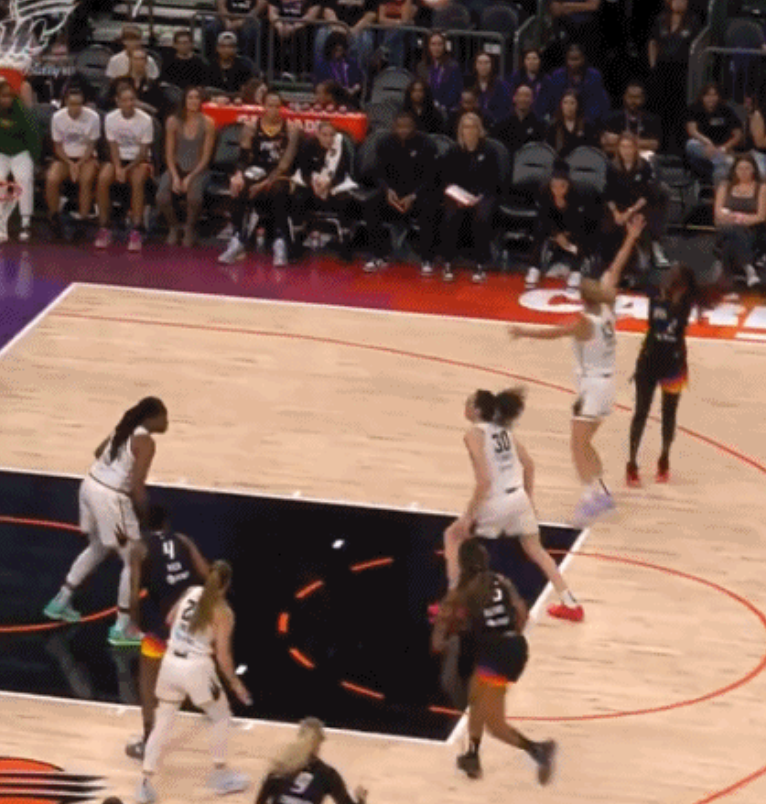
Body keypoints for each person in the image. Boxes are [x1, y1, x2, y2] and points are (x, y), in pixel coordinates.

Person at [510, 216, 645, 526]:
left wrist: (522, 332)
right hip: (605, 386)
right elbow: (616, 267)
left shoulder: (585, 322)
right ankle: (601, 492)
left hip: (592, 387)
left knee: (577, 444)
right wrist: (631, 237)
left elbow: (553, 333)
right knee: (585, 443)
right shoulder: (607, 310)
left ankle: (590, 499)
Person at [442, 387, 584, 621]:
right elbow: (529, 465)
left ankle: (453, 605)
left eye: (468, 402)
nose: (464, 406)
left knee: (453, 536)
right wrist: (528, 500)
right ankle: (571, 603)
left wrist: (469, 515)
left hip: (495, 501)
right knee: (536, 550)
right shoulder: (504, 431)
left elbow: (484, 481)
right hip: (518, 498)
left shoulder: (474, 434)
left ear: (477, 410)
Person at [43, 397, 169, 647]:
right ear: (152, 418)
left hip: (89, 488)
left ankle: (60, 600)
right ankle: (123, 627)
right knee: (132, 557)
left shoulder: (124, 429)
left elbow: (98, 452)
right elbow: (137, 486)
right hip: (110, 500)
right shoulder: (146, 441)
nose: (167, 423)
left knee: (98, 546)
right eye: (164, 417)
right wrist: (146, 519)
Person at [432, 538, 557, 782]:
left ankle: (538, 750)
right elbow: (522, 613)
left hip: (496, 654)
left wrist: (452, 641)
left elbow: (438, 642)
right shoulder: (501, 581)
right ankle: (472, 756)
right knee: (476, 697)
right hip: (515, 646)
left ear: (463, 564)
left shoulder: (461, 592)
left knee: (495, 725)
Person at [136, 561, 252, 804]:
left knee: (163, 722)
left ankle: (144, 784)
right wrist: (236, 684)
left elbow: (170, 619)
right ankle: (219, 776)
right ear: (226, 585)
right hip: (196, 668)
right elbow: (223, 657)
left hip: (170, 664)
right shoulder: (223, 612)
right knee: (221, 716)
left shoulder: (191, 592)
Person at [125, 505, 211, 760]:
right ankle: (210, 702)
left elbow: (133, 591)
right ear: (166, 522)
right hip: (191, 621)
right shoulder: (183, 540)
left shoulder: (139, 548)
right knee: (197, 659)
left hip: (161, 624)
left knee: (147, 681)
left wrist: (133, 621)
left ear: (143, 524)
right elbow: (206, 574)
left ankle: (148, 740)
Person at [626, 263, 709, 487]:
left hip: (674, 364)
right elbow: (652, 324)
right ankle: (632, 464)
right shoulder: (656, 297)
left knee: (668, 416)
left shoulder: (686, 303)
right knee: (641, 412)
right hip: (649, 362)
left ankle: (664, 459)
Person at [218, 89, 301, 266]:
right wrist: (238, 176)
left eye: (277, 106)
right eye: (270, 105)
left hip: (279, 174)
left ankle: (280, 242)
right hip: (257, 170)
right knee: (239, 186)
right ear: (263, 106)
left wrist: (263, 184)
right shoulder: (251, 127)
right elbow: (243, 158)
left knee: (278, 190)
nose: (274, 110)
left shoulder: (291, 129)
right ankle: (237, 239)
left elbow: (285, 165)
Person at [361, 110, 438, 274]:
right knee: (371, 203)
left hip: (417, 194)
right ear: (394, 127)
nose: (403, 130)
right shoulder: (384, 143)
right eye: (400, 126)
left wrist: (414, 195)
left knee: (429, 208)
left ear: (414, 127)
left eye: (407, 126)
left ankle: (427, 258)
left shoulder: (427, 144)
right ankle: (378, 255)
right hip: (393, 193)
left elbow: (431, 177)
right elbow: (378, 172)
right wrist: (387, 190)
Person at [438, 113, 500, 283]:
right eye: (466, 127)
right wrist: (459, 197)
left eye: (473, 127)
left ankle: (480, 264)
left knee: (482, 216)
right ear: (461, 130)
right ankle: (448, 262)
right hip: (458, 194)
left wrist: (478, 197)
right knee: (449, 215)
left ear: (479, 130)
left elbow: (494, 179)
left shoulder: (489, 151)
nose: (469, 130)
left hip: (483, 194)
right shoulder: (453, 151)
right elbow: (446, 179)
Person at [95, 83, 155, 252]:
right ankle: (104, 226)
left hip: (138, 160)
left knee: (137, 180)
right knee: (103, 178)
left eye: (132, 100)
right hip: (118, 159)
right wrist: (118, 167)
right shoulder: (110, 118)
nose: (129, 103)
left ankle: (136, 229)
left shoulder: (146, 120)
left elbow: (143, 152)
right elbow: (113, 146)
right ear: (118, 101)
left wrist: (126, 170)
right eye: (125, 100)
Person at [254, 718, 368, 804]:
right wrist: (361, 799)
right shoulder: (328, 774)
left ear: (299, 736)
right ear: (320, 742)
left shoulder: (280, 767)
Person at [157, 86, 216, 248]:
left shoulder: (208, 123)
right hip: (176, 167)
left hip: (198, 169)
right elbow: (169, 154)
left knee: (194, 198)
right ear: (184, 100)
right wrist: (175, 177)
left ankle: (190, 228)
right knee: (162, 196)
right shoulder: (173, 121)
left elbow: (206, 157)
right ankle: (174, 227)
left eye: (197, 98)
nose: (194, 101)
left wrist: (190, 177)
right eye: (190, 97)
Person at [525, 160, 598, 289]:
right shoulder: (544, 191)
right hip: (554, 224)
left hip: (576, 224)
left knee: (583, 233)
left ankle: (576, 271)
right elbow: (544, 217)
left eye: (562, 186)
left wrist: (567, 234)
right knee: (539, 227)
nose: (557, 190)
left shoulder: (580, 193)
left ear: (568, 185)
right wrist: (556, 234)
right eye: (554, 186)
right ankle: (534, 267)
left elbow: (584, 220)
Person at [602, 132, 670, 272]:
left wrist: (630, 212)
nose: (626, 150)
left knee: (642, 220)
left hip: (637, 206)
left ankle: (649, 251)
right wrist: (616, 213)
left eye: (629, 147)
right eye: (623, 147)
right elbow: (608, 194)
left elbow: (646, 194)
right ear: (618, 149)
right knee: (607, 225)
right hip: (618, 207)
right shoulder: (611, 166)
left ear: (635, 148)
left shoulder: (644, 166)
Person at [289, 121, 358, 251]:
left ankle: (345, 241)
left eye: (331, 135)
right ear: (318, 134)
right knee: (298, 197)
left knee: (346, 199)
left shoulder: (341, 145)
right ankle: (297, 239)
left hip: (334, 183)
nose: (328, 139)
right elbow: (304, 170)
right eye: (324, 135)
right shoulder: (308, 145)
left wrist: (329, 183)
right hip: (313, 183)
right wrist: (314, 184)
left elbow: (343, 171)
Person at [47, 86, 101, 241]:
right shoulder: (57, 117)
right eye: (72, 104)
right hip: (64, 158)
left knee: (86, 179)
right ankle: (54, 218)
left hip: (86, 158)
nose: (76, 108)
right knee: (52, 179)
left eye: (79, 104)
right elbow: (57, 146)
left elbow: (91, 146)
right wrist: (70, 163)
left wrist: (78, 164)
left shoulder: (93, 117)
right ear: (66, 103)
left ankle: (82, 221)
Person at [648, 0, 701, 152]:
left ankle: (678, 149)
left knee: (679, 112)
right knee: (662, 111)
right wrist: (653, 64)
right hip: (662, 72)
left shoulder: (693, 22)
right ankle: (662, 147)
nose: (678, 3)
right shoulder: (661, 20)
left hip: (682, 73)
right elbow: (653, 43)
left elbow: (698, 47)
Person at [713, 154, 766, 288]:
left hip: (752, 230)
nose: (743, 172)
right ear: (734, 170)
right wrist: (734, 219)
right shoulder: (725, 186)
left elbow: (761, 216)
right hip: (727, 227)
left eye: (747, 168)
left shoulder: (761, 188)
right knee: (733, 230)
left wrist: (740, 219)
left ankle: (727, 276)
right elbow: (718, 213)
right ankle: (749, 269)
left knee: (730, 240)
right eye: (740, 169)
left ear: (753, 169)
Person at [0, 77, 40, 243]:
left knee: (24, 179)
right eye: (3, 96)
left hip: (21, 152)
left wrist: (35, 161)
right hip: (1, 153)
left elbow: (33, 138)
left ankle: (25, 222)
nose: (6, 99)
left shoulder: (23, 112)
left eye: (9, 96)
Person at [685, 83, 743, 185]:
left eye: (714, 95)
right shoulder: (694, 109)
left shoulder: (726, 111)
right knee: (691, 144)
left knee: (721, 166)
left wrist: (724, 148)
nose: (711, 98)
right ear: (702, 97)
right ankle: (721, 158)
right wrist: (708, 143)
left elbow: (738, 134)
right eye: (708, 95)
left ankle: (719, 192)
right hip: (700, 146)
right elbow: (692, 131)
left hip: (721, 148)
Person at [542, 43, 610, 126]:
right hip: (562, 122)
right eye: (571, 59)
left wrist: (586, 123)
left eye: (576, 59)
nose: (573, 63)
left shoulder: (594, 76)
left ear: (583, 59)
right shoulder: (558, 76)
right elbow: (553, 102)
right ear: (566, 60)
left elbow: (599, 102)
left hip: (589, 122)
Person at [600, 80, 662, 157]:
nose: (633, 101)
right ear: (624, 97)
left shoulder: (651, 120)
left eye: (637, 97)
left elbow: (654, 145)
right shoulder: (613, 117)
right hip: (616, 158)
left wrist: (623, 140)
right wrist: (641, 143)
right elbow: (606, 142)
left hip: (643, 159)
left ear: (643, 99)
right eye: (630, 97)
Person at [491, 84, 543, 162]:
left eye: (527, 96)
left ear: (532, 100)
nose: (523, 99)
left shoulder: (539, 124)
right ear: (514, 98)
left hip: (530, 164)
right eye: (520, 95)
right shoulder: (502, 124)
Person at [416, 31, 463, 114]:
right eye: (433, 44)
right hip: (426, 108)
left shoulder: (453, 66)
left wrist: (440, 106)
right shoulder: (421, 66)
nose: (436, 48)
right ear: (428, 46)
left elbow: (455, 92)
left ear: (444, 46)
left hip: (446, 109)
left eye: (439, 44)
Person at [314, 31, 364, 106]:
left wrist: (354, 89)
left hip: (350, 99)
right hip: (330, 101)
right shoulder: (322, 66)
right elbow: (320, 87)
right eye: (336, 50)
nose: (338, 53)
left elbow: (359, 82)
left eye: (340, 50)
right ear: (330, 49)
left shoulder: (351, 64)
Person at [544, 89, 597, 158]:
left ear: (578, 105)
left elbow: (591, 150)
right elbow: (548, 150)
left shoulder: (586, 125)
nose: (568, 106)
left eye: (572, 103)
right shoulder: (553, 125)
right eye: (565, 103)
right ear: (561, 105)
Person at [469, 52, 512, 128]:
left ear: (492, 65)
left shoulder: (501, 86)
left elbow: (505, 111)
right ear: (475, 65)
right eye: (480, 63)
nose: (483, 66)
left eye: (486, 63)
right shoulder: (470, 86)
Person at [507, 48, 550, 122]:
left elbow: (549, 101)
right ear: (524, 61)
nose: (531, 62)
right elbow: (511, 98)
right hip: (519, 118)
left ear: (539, 61)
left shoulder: (546, 80)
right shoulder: (516, 77)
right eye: (528, 59)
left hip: (539, 119)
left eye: (534, 59)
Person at [207, 31, 254, 98]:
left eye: (230, 46)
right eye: (223, 46)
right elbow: (206, 91)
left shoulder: (245, 65)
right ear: (217, 48)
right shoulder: (210, 66)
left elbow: (249, 90)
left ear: (236, 49)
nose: (226, 49)